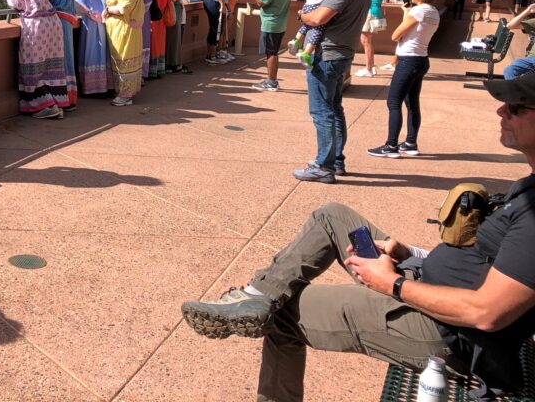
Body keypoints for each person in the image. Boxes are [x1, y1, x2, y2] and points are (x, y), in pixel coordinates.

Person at [181, 72, 535, 402]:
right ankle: (259, 296)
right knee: (332, 215)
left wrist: (391, 284)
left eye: (516, 107)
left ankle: (264, 306)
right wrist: (408, 252)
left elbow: (487, 313)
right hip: (427, 283)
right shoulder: (528, 187)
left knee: (283, 315)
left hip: (447, 331)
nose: (501, 110)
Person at [292, 0, 370, 183]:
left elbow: (318, 18)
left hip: (327, 54)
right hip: (342, 53)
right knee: (335, 109)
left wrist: (302, 16)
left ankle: (323, 166)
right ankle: (336, 161)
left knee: (321, 111)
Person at [367, 0, 440, 158]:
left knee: (393, 102)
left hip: (408, 60)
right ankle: (410, 143)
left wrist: (406, 13)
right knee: (412, 103)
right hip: (421, 59)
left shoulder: (418, 12)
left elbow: (395, 35)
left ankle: (391, 146)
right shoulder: (433, 12)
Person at [4, 0, 71, 119]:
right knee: (51, 65)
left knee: (33, 64)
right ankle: (57, 101)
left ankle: (43, 105)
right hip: (53, 21)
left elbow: (14, 2)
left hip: (35, 24)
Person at [103, 0, 145, 106]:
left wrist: (109, 9)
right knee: (119, 59)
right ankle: (122, 91)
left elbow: (124, 8)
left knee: (124, 59)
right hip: (117, 30)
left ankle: (126, 94)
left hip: (126, 30)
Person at [250, 0, 292, 92]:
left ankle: (271, 82)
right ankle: (271, 80)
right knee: (273, 52)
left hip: (270, 25)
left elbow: (260, 2)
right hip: (280, 24)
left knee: (271, 53)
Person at [44, 0, 78, 110]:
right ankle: (70, 97)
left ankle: (59, 98)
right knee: (68, 57)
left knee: (57, 59)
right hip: (68, 21)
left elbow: (46, 1)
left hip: (55, 21)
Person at [73, 0, 110, 95]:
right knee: (101, 51)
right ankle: (103, 86)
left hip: (89, 20)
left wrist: (87, 10)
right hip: (102, 19)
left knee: (89, 51)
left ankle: (91, 88)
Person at [120, 0, 154, 79]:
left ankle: (132, 75)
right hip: (144, 14)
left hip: (129, 16)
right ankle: (142, 73)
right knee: (143, 42)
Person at [354, 0, 387, 78]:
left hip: (370, 13)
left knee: (366, 41)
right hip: (373, 12)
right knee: (367, 41)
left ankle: (368, 68)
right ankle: (371, 67)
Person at [144, 0, 172, 79]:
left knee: (151, 43)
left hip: (150, 17)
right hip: (161, 16)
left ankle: (150, 71)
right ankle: (159, 70)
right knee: (160, 43)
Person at [502, 2, 535, 80]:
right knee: (509, 70)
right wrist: (527, 11)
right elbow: (510, 25)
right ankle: (515, 91)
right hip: (531, 58)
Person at [163, 0, 185, 73]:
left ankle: (174, 62)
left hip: (174, 7)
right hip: (170, 8)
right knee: (171, 38)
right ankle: (170, 63)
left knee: (175, 37)